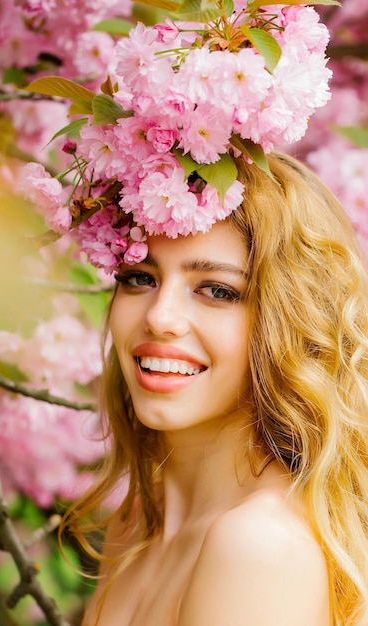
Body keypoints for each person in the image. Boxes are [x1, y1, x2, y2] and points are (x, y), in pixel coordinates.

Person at [61, 151, 368, 626]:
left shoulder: (256, 546)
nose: (159, 317)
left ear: (288, 322)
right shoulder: (139, 520)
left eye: (218, 290)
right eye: (140, 278)